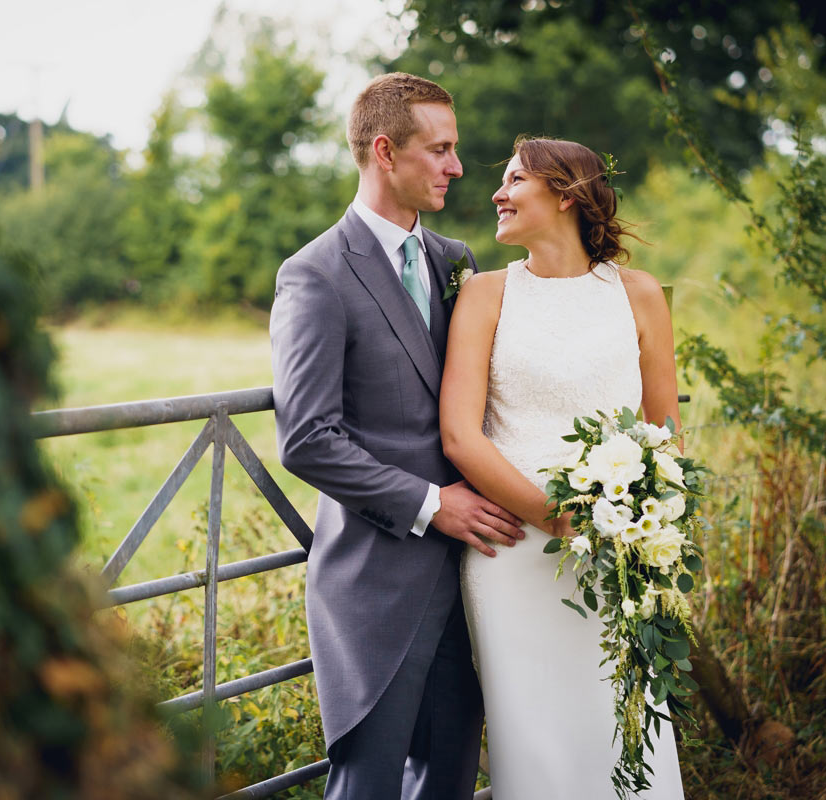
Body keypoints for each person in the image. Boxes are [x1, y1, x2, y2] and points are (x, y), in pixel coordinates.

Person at [270, 73, 526, 800]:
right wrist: (430, 503)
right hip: (378, 582)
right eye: (439, 150)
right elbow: (309, 438)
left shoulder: (457, 262)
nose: (456, 168)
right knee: (369, 786)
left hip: (476, 575)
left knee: (447, 779)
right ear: (385, 151)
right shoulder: (315, 276)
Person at [439, 136, 687, 799]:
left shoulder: (637, 294)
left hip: (617, 555)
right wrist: (560, 518)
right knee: (534, 738)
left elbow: (664, 431)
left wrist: (646, 526)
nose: (497, 192)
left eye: (515, 179)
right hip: (513, 552)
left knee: (625, 723)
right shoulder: (485, 294)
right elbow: (461, 436)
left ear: (567, 194)